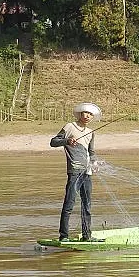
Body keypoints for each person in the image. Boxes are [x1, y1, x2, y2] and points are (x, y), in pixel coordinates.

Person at [50, 103, 101, 242]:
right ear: (80, 114)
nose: (87, 116)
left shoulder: (91, 132)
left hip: (87, 172)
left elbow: (91, 152)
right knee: (69, 203)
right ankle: (63, 236)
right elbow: (53, 142)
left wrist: (94, 163)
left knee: (87, 205)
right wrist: (67, 140)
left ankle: (87, 236)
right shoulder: (69, 126)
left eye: (90, 114)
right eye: (85, 113)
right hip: (74, 171)